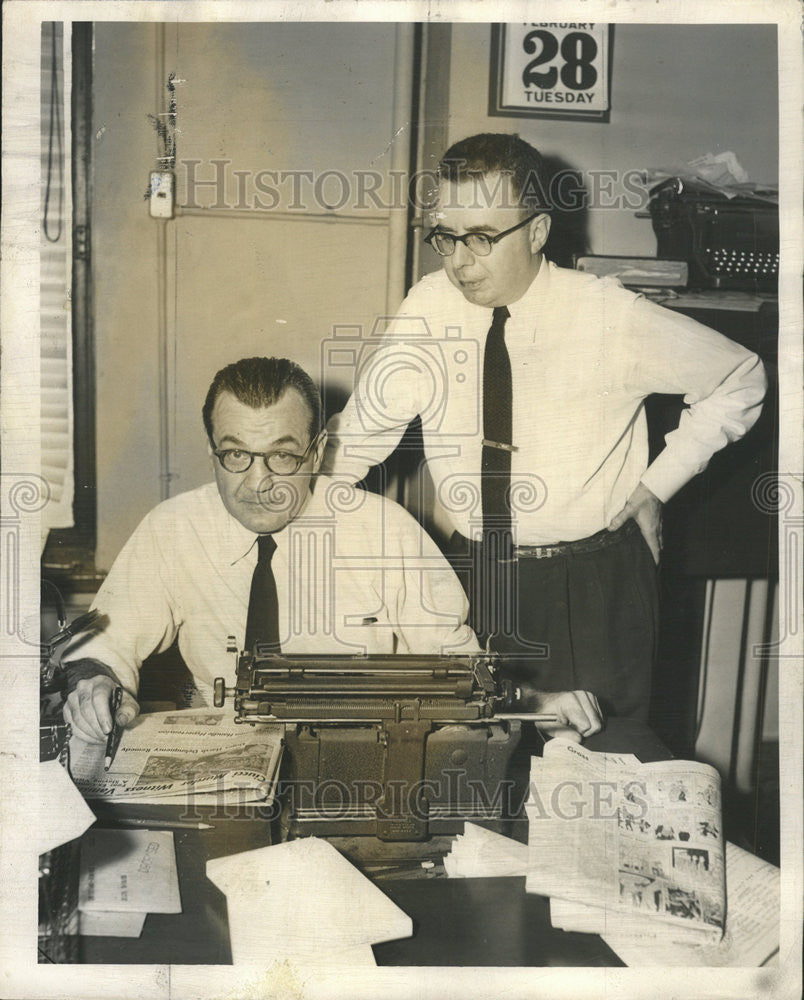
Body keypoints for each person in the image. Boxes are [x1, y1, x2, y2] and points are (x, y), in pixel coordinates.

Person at [323, 132, 767, 722]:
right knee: (476, 761)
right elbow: (359, 436)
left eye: (482, 237)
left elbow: (741, 375)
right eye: (445, 237)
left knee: (604, 770)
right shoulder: (429, 308)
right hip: (472, 577)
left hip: (593, 583)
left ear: (536, 231)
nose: (459, 260)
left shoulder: (608, 314)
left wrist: (657, 484)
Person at [62, 356, 603, 746]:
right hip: (225, 759)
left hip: (365, 755)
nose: (258, 483)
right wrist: (96, 685)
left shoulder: (386, 533)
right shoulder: (173, 529)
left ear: (318, 452)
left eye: (283, 457)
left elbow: (458, 668)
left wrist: (535, 704)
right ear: (211, 451)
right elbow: (103, 645)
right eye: (235, 457)